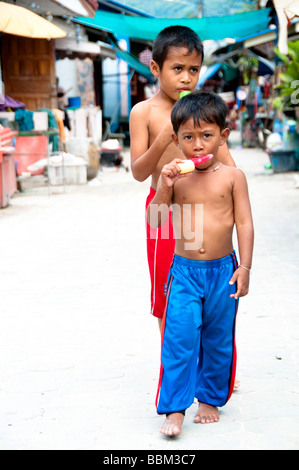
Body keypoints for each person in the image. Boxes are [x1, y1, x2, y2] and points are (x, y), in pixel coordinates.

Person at [147, 90, 254, 436]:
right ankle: (174, 407)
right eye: (188, 138)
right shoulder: (177, 179)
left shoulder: (233, 178)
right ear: (176, 140)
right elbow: (156, 220)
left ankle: (209, 400)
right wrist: (164, 187)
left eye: (207, 136)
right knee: (178, 337)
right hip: (185, 273)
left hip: (223, 271)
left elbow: (245, 223)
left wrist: (246, 268)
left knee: (218, 339)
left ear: (223, 136)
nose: (197, 146)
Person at [129, 26, 236, 330]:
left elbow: (230, 167)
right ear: (155, 68)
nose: (187, 78)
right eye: (177, 68)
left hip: (201, 207)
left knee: (208, 288)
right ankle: (172, 368)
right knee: (167, 288)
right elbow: (138, 173)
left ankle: (211, 367)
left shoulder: (204, 111)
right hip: (163, 207)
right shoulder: (143, 112)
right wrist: (164, 137)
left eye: (193, 69)